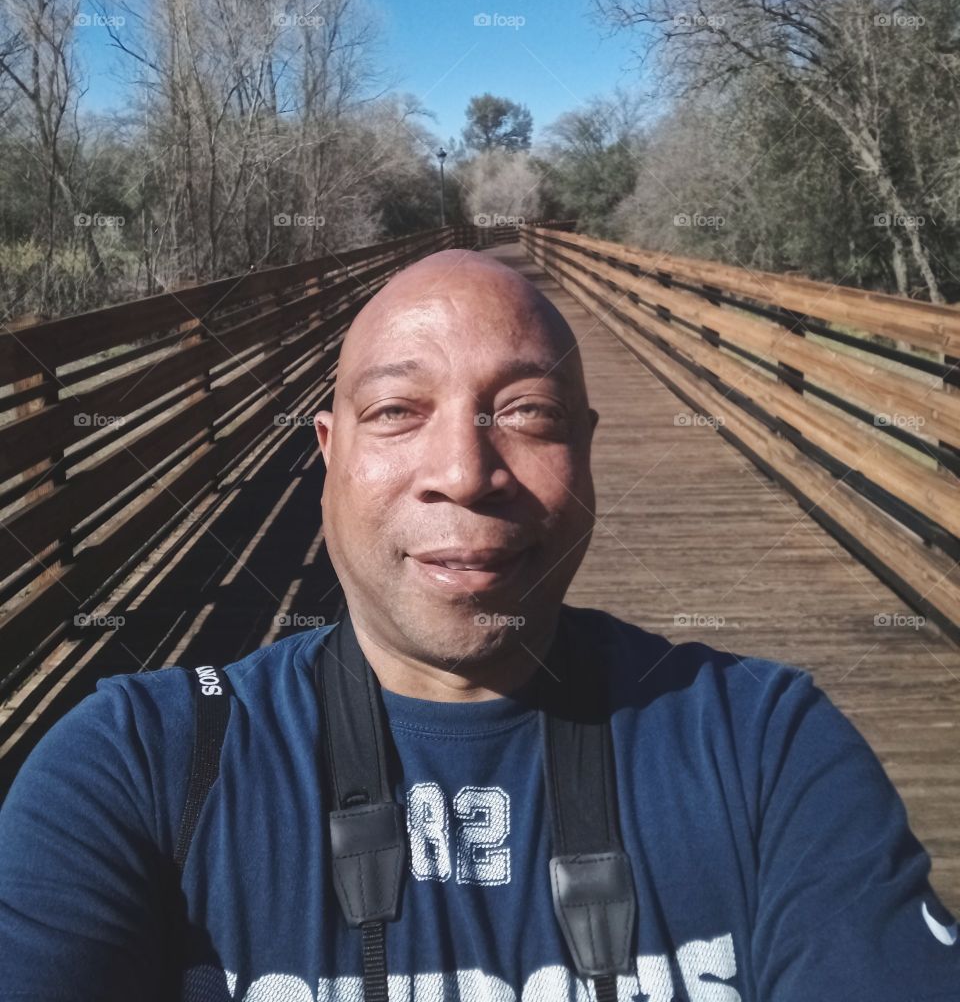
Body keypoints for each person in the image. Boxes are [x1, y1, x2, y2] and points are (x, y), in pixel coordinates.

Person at [0, 248, 957, 1002]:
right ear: (328, 453)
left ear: (586, 451)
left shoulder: (767, 750)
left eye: (527, 413)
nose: (464, 471)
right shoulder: (139, 768)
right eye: (396, 410)